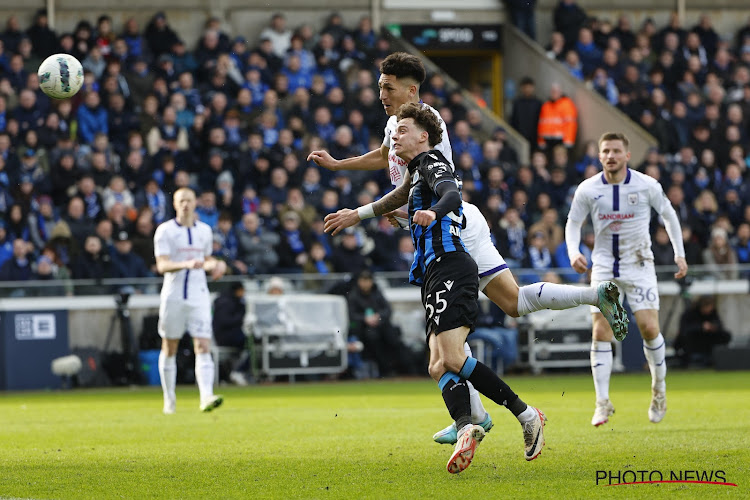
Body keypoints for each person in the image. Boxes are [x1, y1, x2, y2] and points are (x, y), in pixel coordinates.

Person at [308, 52, 627, 445]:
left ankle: (483, 415)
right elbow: (385, 159)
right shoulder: (397, 126)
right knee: (506, 305)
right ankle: (593, 296)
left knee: (449, 342)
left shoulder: (427, 124)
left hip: (450, 229)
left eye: (387, 87)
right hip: (448, 226)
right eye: (378, 86)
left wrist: (369, 213)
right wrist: (340, 166)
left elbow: (427, 185)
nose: (380, 95)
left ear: (411, 90)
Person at [326, 103, 546, 472]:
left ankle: (526, 415)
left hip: (452, 266)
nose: (394, 134)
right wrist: (357, 214)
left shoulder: (433, 164)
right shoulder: (415, 174)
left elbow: (451, 194)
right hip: (431, 272)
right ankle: (465, 428)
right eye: (394, 130)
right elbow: (395, 199)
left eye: (402, 130)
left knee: (453, 358)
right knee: (436, 364)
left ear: (423, 136)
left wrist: (435, 212)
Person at [565, 132, 688, 427]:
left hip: (639, 263)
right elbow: (573, 222)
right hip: (604, 266)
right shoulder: (588, 189)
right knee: (601, 331)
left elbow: (669, 215)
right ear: (599, 155)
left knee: (648, 327)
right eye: (605, 150)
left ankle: (659, 390)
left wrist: (679, 253)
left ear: (627, 155)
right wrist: (573, 252)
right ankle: (602, 402)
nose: (611, 156)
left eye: (616, 151)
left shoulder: (647, 184)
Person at [154, 187, 227, 414]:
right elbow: (162, 265)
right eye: (181, 200)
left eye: (189, 200)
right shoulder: (164, 231)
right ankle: (170, 400)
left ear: (195, 203)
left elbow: (205, 260)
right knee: (169, 346)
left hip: (198, 294)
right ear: (175, 204)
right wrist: (185, 264)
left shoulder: (204, 231)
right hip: (173, 294)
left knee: (203, 344)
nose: (185, 204)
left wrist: (216, 265)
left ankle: (206, 396)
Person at [675, 295, 731, 367]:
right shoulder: (689, 313)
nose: (708, 310)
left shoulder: (713, 313)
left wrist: (712, 327)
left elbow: (719, 325)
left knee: (726, 335)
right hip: (694, 340)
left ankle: (717, 356)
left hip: (709, 339)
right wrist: (701, 327)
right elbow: (685, 329)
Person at [212, 282, 251, 386]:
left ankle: (235, 370)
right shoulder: (227, 303)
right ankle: (237, 371)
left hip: (224, 335)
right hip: (225, 336)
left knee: (249, 343)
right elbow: (225, 321)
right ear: (238, 290)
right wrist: (241, 315)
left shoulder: (229, 300)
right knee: (250, 344)